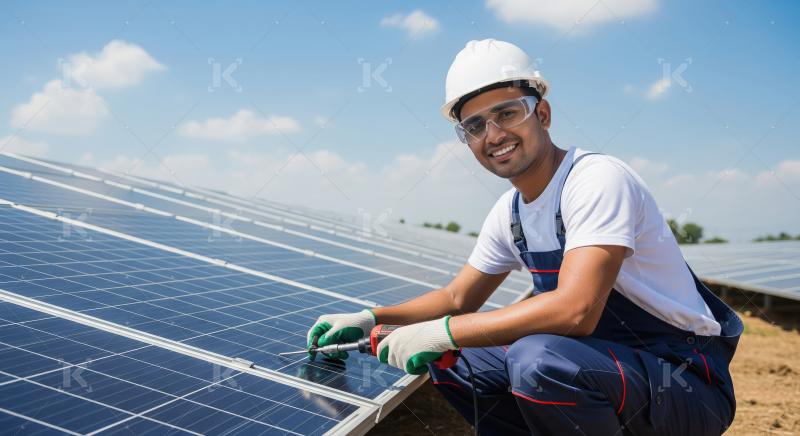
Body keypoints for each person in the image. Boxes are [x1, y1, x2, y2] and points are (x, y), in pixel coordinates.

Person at [306, 39, 741, 435]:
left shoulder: (595, 180)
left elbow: (576, 311)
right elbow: (458, 299)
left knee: (538, 361)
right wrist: (372, 316)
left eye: (507, 113)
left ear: (542, 114)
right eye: (475, 126)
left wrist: (445, 331)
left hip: (683, 382)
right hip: (605, 367)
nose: (493, 135)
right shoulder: (510, 212)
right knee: (458, 360)